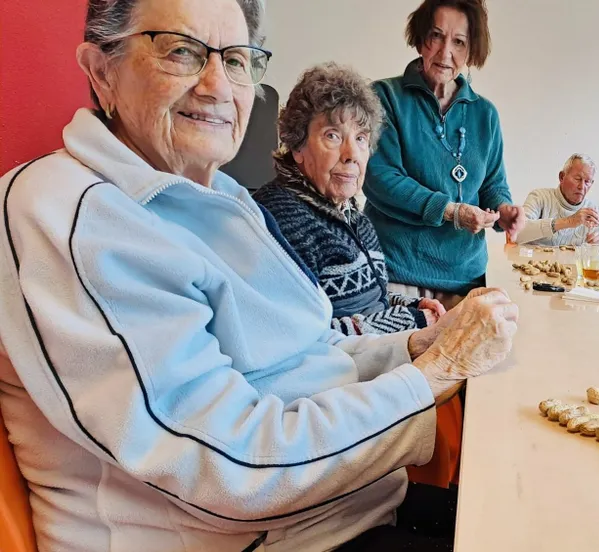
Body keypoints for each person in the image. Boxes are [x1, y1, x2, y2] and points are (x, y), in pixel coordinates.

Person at [0, 1, 519, 551]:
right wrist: (438, 372)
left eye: (238, 60)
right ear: (101, 70)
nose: (217, 86)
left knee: (528, 506)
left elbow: (309, 354)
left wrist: (414, 347)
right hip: (277, 536)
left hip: (345, 505)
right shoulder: (68, 213)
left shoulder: (222, 196)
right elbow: (237, 467)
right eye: (181, 51)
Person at [254, 64, 446, 336]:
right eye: (332, 136)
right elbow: (304, 336)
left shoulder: (352, 216)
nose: (351, 154)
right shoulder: (280, 220)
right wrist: (412, 320)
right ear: (297, 145)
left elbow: (368, 300)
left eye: (361, 138)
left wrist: (411, 304)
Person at [364, 0, 526, 312]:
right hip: (398, 273)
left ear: (471, 50)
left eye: (459, 42)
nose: (445, 52)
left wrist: (504, 210)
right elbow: (381, 178)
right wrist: (451, 211)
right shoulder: (384, 97)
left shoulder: (485, 114)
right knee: (405, 359)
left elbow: (493, 183)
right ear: (420, 38)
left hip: (466, 279)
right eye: (436, 36)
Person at [515, 153, 599, 247]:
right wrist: (568, 221)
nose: (582, 186)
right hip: (534, 264)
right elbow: (516, 233)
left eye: (587, 182)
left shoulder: (593, 211)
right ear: (562, 177)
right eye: (577, 179)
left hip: (574, 265)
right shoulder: (540, 197)